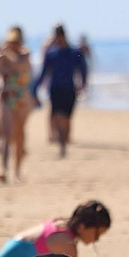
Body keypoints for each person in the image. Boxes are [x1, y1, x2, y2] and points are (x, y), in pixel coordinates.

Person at [0, 27, 34, 183]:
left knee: (19, 136)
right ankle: (3, 169)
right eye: (10, 42)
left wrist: (7, 55)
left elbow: (21, 67)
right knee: (5, 135)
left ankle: (17, 171)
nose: (13, 45)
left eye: (15, 42)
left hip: (22, 100)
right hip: (5, 99)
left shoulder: (25, 55)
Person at [32, 24, 89, 158]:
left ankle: (64, 142)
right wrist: (35, 88)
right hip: (55, 89)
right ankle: (61, 144)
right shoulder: (51, 54)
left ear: (62, 36)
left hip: (69, 88)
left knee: (67, 118)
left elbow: (83, 69)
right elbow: (44, 73)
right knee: (57, 116)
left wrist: (83, 84)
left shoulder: (75, 52)